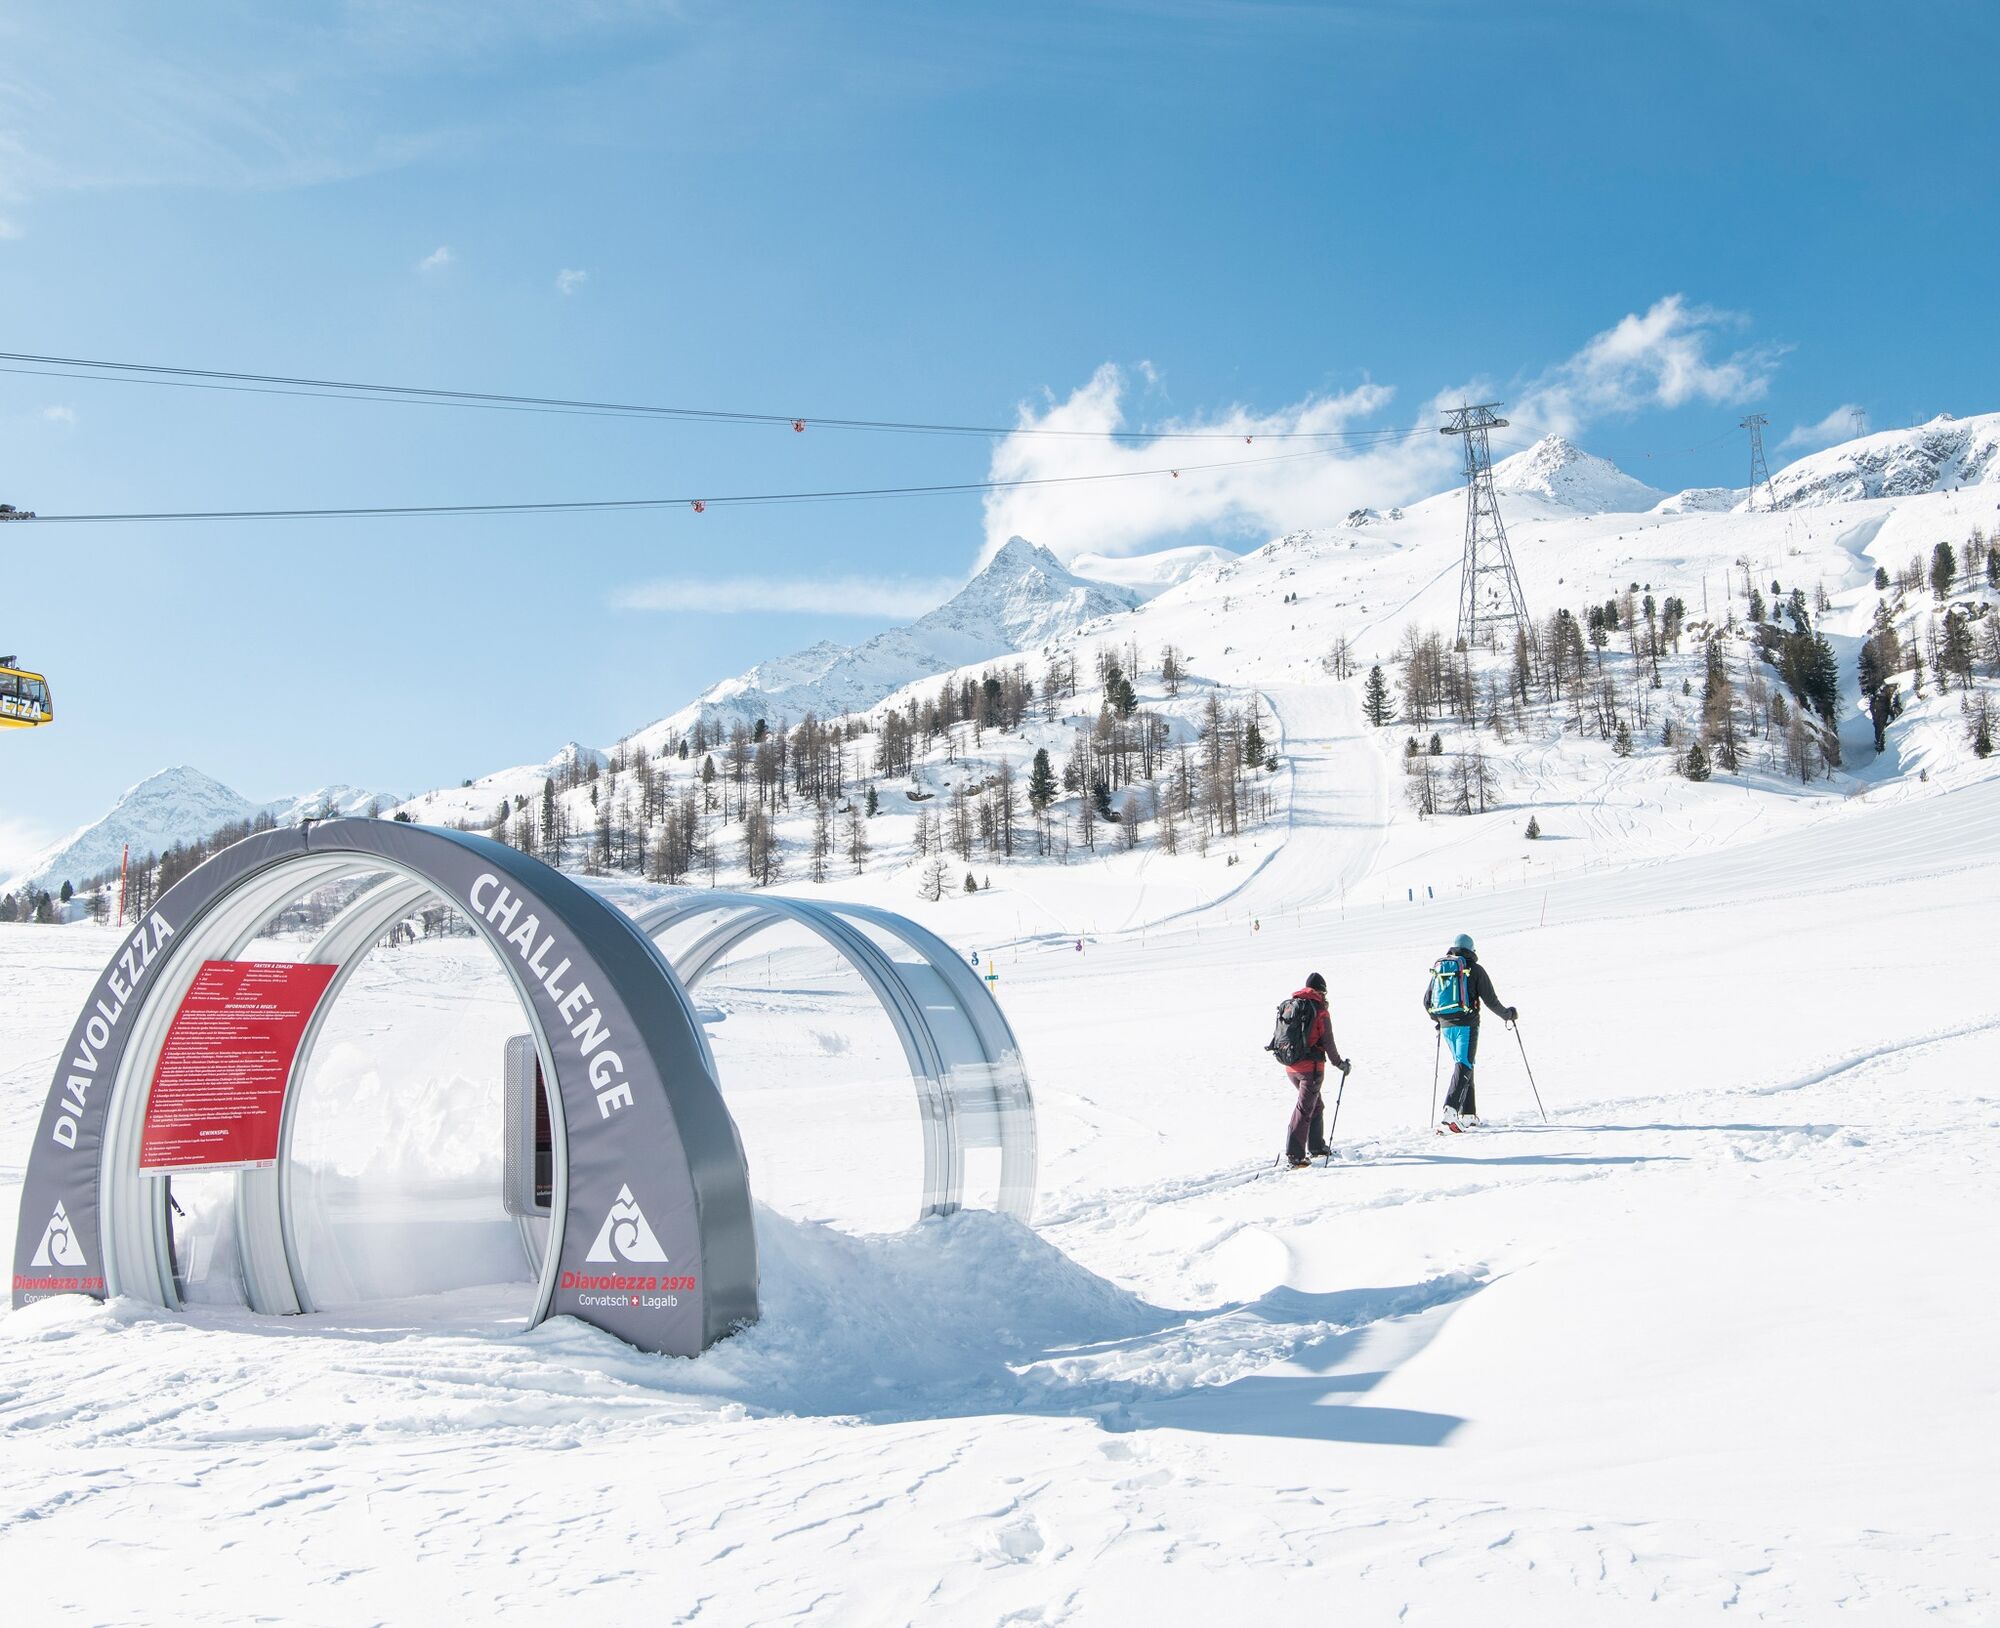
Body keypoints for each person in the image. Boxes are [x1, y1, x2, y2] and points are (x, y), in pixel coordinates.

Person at [1423, 932, 1516, 1131]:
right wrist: (1508, 1014)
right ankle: (1451, 1109)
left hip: (1445, 1025)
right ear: (1472, 949)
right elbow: (1491, 1000)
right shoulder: (1474, 969)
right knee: (1464, 1064)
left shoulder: (1442, 968)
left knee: (1465, 1064)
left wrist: (1439, 1021)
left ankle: (1468, 1115)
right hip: (1466, 1024)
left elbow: (1427, 1001)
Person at [1274, 972, 1349, 1168]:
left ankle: (1316, 1146)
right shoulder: (1319, 1010)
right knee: (1304, 1109)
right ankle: (1295, 1155)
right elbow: (1328, 1042)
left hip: (1291, 1066)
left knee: (1315, 1105)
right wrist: (1340, 1064)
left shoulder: (1292, 1005)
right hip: (1311, 1069)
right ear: (1322, 991)